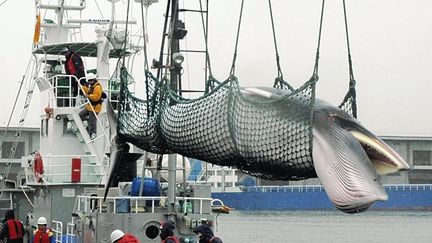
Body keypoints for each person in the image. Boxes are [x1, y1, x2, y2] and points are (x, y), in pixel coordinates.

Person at [79, 73, 104, 139]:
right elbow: (88, 91)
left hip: (95, 107)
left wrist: (88, 96)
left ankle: (93, 133)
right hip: (90, 106)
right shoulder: (92, 86)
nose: (89, 82)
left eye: (89, 81)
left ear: (93, 80)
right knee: (81, 114)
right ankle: (87, 125)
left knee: (92, 122)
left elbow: (96, 97)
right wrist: (82, 87)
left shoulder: (97, 87)